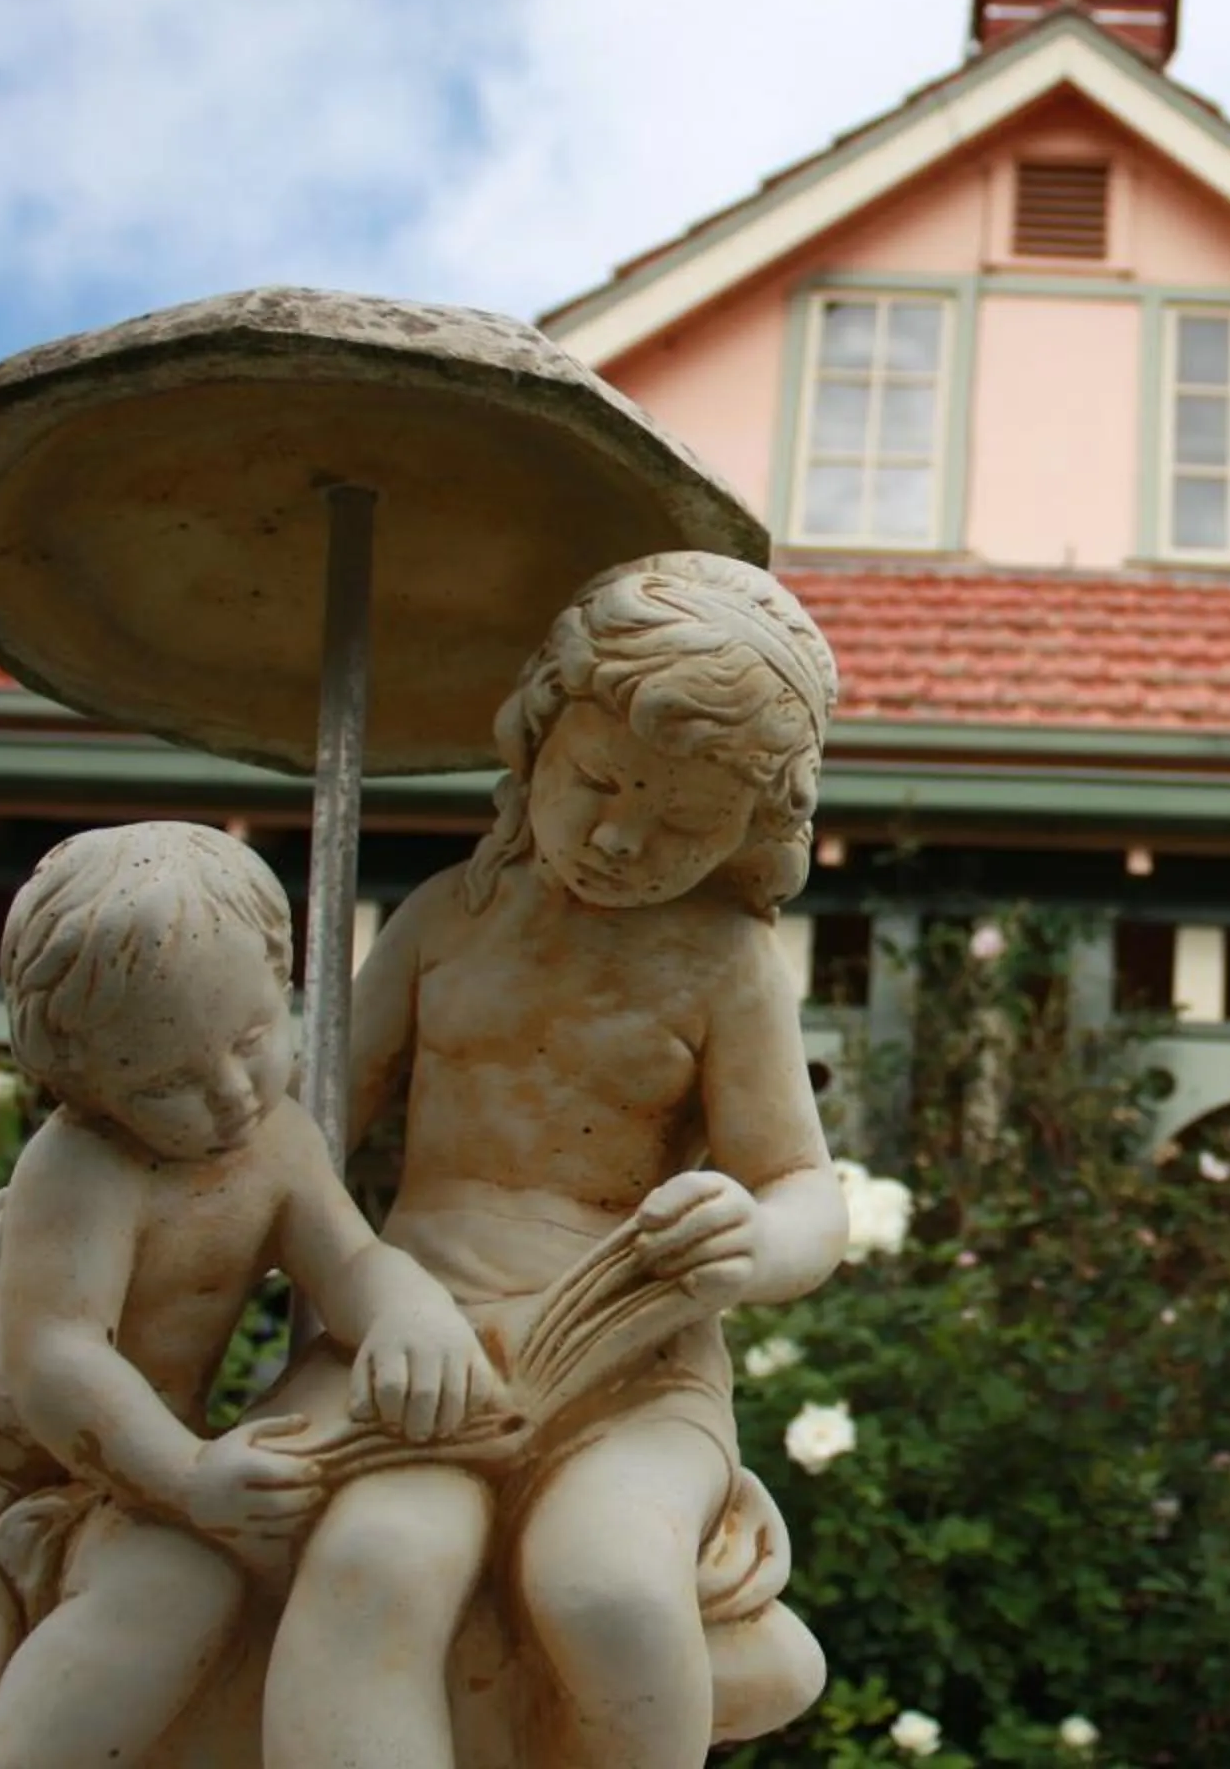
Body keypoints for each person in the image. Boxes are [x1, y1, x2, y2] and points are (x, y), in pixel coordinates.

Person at [261, 552, 849, 1769]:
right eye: (595, 781)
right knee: (375, 1567)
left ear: (755, 828)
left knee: (612, 1587)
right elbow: (298, 1134)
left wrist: (754, 1237)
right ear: (537, 734)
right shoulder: (445, 917)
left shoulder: (725, 967)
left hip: (626, 1369)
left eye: (687, 821)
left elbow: (807, 1189)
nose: (625, 836)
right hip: (418, 1360)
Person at [0, 822, 505, 1769]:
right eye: (168, 1084)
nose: (232, 1091)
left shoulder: (277, 1142)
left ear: (282, 976)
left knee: (187, 1591)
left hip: (137, 1464)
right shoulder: (81, 1168)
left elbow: (350, 1263)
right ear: (85, 1085)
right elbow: (59, 1360)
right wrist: (192, 1477)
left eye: (252, 1037)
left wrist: (412, 1314)